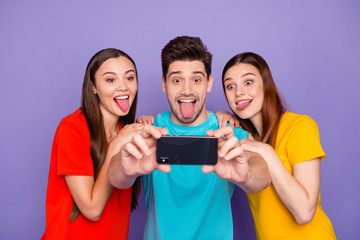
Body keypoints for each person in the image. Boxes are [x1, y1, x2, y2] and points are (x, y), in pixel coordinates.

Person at [107, 36, 271, 239]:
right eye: (176, 80)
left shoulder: (228, 132)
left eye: (196, 79)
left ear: (209, 83)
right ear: (164, 84)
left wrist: (246, 175)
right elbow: (115, 175)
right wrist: (126, 170)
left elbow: (261, 173)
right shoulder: (148, 132)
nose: (186, 90)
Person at [217, 52, 336, 239]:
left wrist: (266, 151)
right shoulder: (244, 140)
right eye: (230, 86)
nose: (238, 92)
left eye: (248, 82)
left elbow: (304, 213)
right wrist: (222, 117)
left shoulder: (300, 127)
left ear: (266, 84)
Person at [42, 48, 143, 239]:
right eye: (110, 80)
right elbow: (92, 209)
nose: (123, 87)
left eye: (129, 78)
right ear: (93, 87)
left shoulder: (127, 134)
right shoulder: (72, 129)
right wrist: (115, 147)